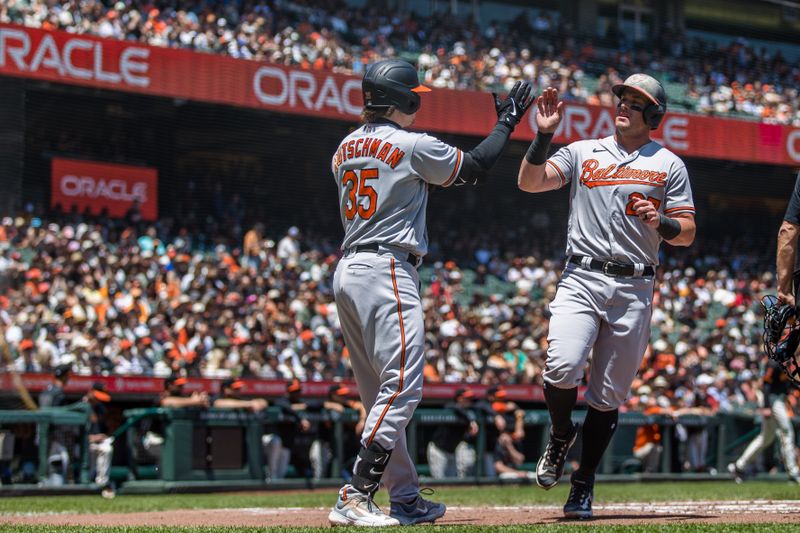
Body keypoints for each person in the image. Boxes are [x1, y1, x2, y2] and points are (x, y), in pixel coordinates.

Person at [329, 58, 533, 526]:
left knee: (380, 392)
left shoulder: (343, 147)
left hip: (349, 267)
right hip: (387, 267)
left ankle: (404, 498)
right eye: (414, 94)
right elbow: (476, 168)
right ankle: (356, 493)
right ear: (400, 98)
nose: (418, 101)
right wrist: (506, 122)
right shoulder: (410, 142)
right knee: (401, 385)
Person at [517, 73, 696, 519]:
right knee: (561, 366)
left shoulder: (668, 164)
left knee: (606, 397)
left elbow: (688, 233)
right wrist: (543, 135)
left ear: (653, 114)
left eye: (635, 103)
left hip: (635, 284)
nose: (623, 107)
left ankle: (583, 483)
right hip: (582, 275)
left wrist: (661, 222)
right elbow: (530, 183)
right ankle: (561, 435)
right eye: (622, 98)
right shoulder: (582, 151)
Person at [728, 357, 800, 484]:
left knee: (765, 438)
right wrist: (766, 406)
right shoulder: (774, 362)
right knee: (787, 432)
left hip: (778, 400)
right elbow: (766, 384)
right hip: (772, 401)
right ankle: (793, 473)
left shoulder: (788, 361)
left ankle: (739, 466)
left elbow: (787, 384)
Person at [427, 387, 478, 479]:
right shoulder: (451, 407)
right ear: (459, 398)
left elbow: (482, 405)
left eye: (470, 398)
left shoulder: (471, 410)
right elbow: (452, 406)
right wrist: (471, 420)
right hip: (438, 450)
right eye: (466, 398)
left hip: (452, 451)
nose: (469, 401)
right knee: (439, 480)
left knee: (452, 481)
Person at [84, 382, 115, 498]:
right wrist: (91, 438)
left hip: (98, 443)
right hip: (82, 443)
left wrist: (104, 436)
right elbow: (74, 433)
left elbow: (105, 430)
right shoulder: (82, 406)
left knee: (107, 449)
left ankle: (102, 484)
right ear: (91, 392)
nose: (98, 400)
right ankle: (91, 483)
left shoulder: (100, 408)